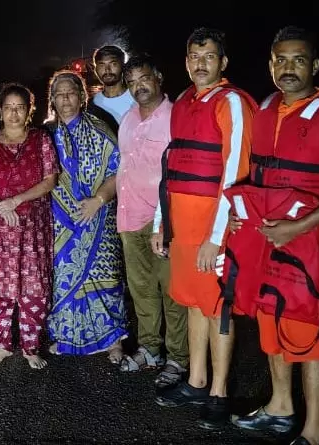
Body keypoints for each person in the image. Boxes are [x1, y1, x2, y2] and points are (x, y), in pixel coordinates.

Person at [225, 27, 319, 445]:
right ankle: (280, 407)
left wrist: (299, 227)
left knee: (311, 337)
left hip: (312, 242)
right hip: (267, 240)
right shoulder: (264, 108)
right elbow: (252, 178)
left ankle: (313, 431)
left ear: (314, 65)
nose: (288, 68)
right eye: (280, 60)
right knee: (271, 321)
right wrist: (237, 216)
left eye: (298, 59)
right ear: (270, 64)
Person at [151, 27, 256, 429]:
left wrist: (218, 237)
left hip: (216, 229)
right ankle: (195, 380)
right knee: (192, 303)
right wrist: (163, 223)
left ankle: (219, 392)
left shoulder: (231, 102)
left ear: (223, 62)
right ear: (186, 61)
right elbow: (170, 168)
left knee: (218, 310)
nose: (200, 63)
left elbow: (235, 172)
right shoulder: (181, 102)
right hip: (183, 224)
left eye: (209, 57)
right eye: (194, 57)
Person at [0, 82, 57, 369]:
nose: (14, 113)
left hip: (31, 226)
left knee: (33, 284)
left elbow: (50, 179)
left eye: (20, 107)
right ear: (0, 111)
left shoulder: (40, 140)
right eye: (9, 108)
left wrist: (16, 200)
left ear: (30, 111)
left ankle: (31, 346)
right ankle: (1, 343)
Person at [113, 54, 188, 388]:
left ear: (158, 77)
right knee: (142, 290)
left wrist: (166, 223)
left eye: (143, 79)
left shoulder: (175, 118)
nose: (138, 87)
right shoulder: (128, 118)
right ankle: (149, 349)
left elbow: (178, 175)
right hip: (130, 218)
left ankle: (178, 358)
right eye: (131, 82)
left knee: (172, 291)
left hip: (163, 221)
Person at [45, 70, 127, 363]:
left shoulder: (101, 129)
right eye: (59, 94)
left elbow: (117, 171)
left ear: (82, 97)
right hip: (60, 220)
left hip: (99, 215)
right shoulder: (45, 135)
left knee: (105, 276)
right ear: (52, 100)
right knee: (64, 279)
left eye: (70, 93)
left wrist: (98, 200)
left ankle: (113, 340)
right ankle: (66, 336)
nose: (65, 99)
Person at [90, 45, 135, 127]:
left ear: (123, 66)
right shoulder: (91, 105)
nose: (107, 69)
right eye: (102, 65)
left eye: (113, 64)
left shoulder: (137, 99)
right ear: (96, 70)